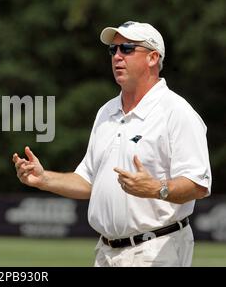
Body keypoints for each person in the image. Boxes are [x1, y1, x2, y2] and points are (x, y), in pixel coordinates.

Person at [13, 21, 212, 267]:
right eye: (113, 50)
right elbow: (88, 181)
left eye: (127, 49)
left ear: (152, 58)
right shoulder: (107, 111)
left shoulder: (177, 112)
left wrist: (157, 188)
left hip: (157, 250)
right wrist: (44, 179)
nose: (117, 56)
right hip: (106, 252)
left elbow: (198, 184)